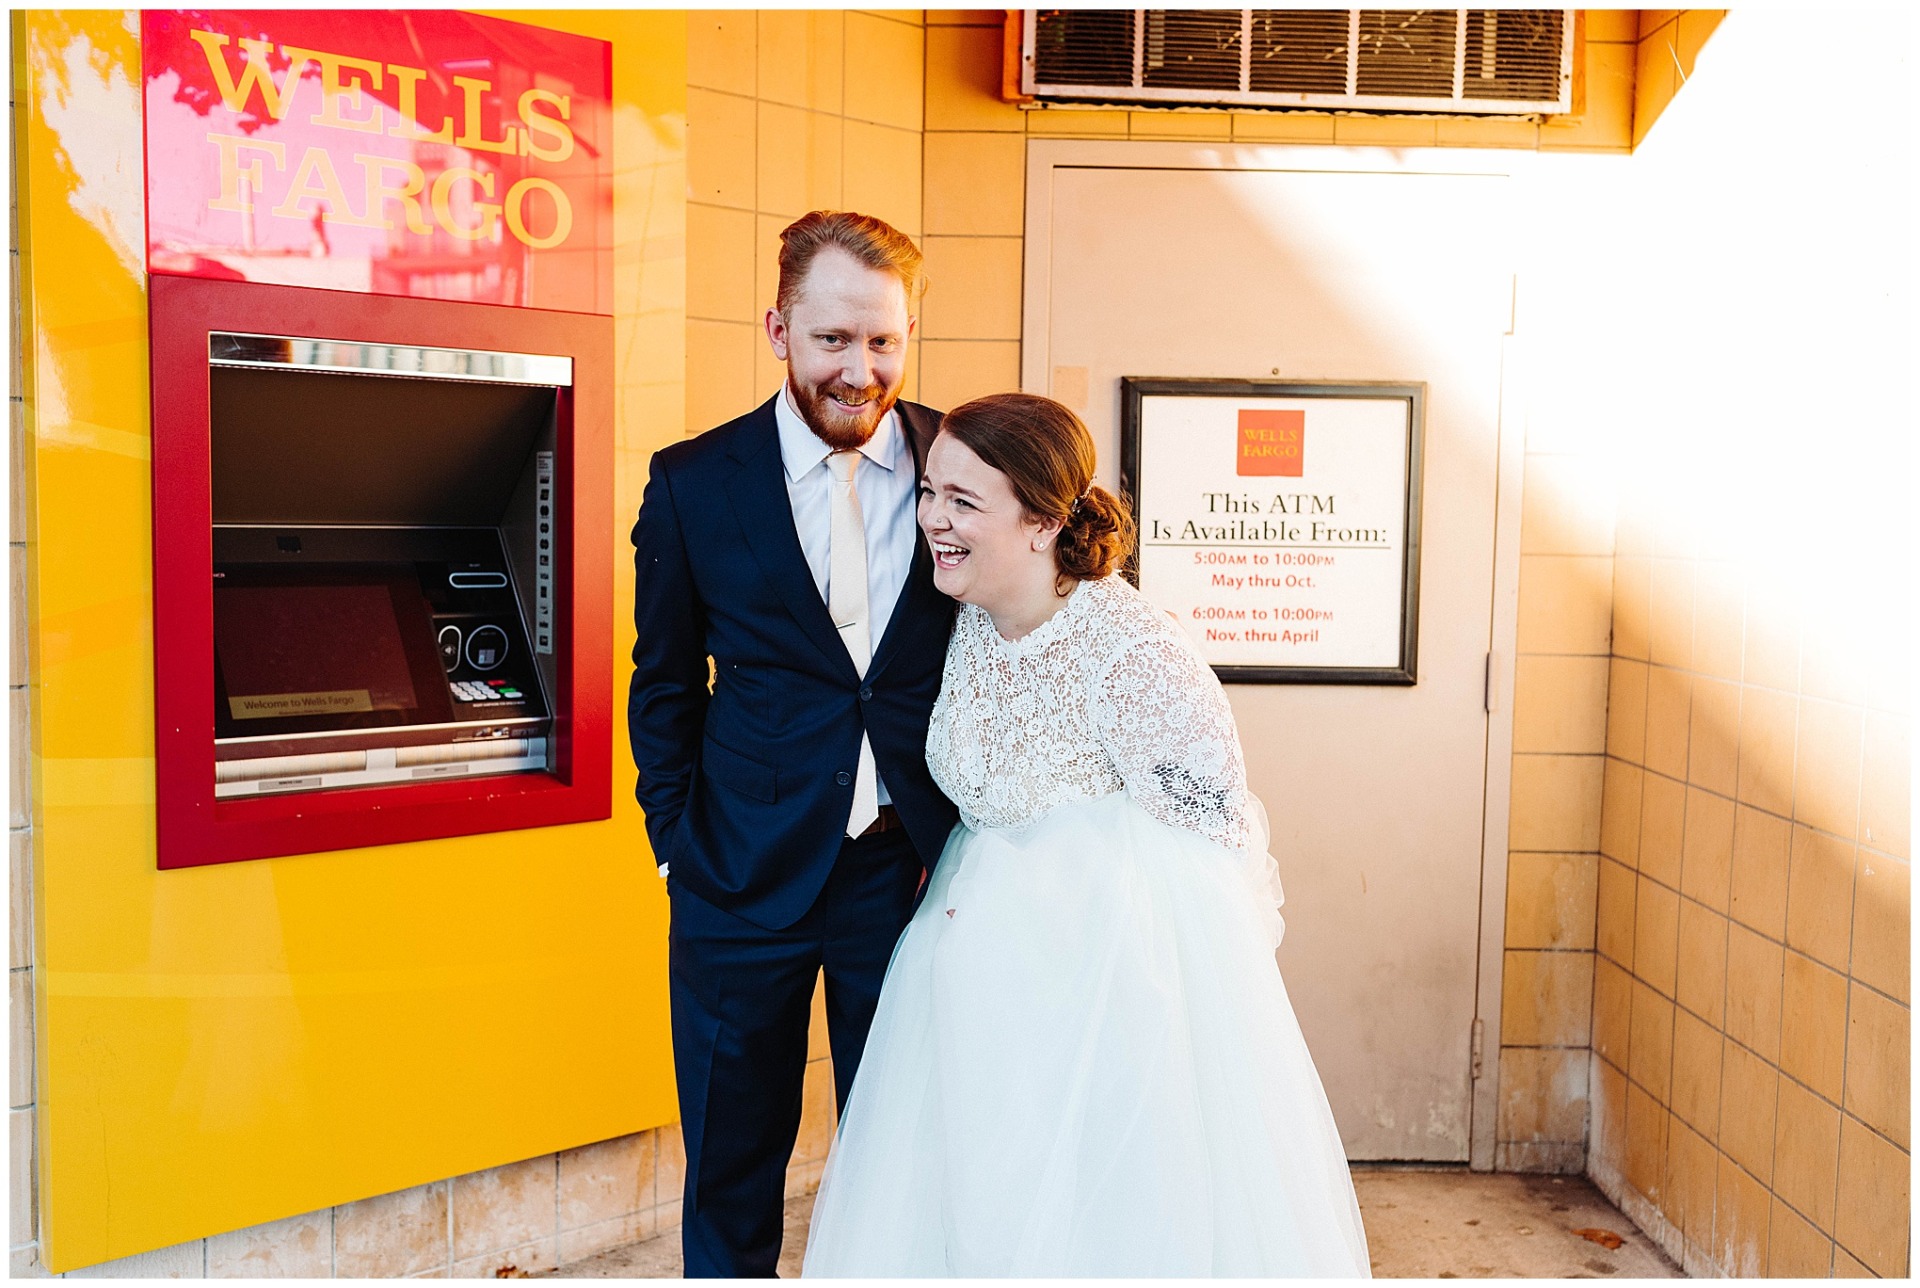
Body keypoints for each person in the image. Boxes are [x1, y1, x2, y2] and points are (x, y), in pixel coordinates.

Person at [801, 393, 1373, 1277]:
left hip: (1104, 1011)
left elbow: (1217, 833)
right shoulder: (966, 623)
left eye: (963, 501)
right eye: (928, 491)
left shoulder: (1130, 647)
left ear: (1043, 521)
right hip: (968, 998)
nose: (932, 521)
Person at [628, 211, 958, 1278]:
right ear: (777, 328)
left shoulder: (962, 460)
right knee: (731, 1168)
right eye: (832, 341)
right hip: (735, 878)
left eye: (884, 341)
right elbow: (665, 682)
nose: (860, 370)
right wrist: (678, 844)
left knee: (903, 1161)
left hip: (907, 874)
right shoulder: (693, 483)